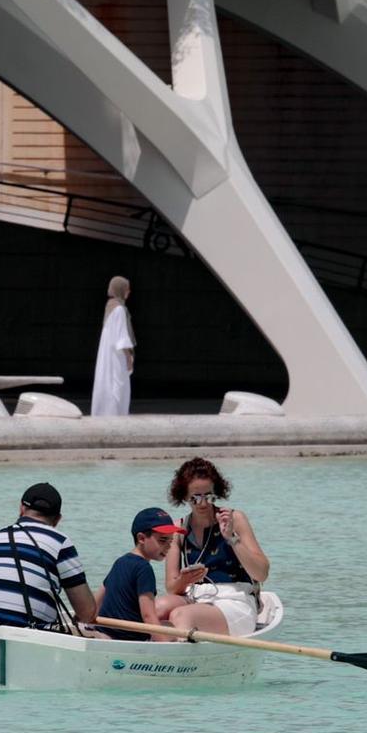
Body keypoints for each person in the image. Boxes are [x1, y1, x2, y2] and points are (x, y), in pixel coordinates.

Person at [157, 458, 271, 637]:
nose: (202, 503)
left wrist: (231, 538)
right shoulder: (178, 529)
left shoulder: (236, 519)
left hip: (234, 601)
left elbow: (262, 573)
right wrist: (185, 579)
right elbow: (172, 588)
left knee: (180, 615)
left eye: (208, 496)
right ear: (185, 496)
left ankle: (179, 661)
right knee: (158, 607)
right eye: (195, 498)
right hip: (195, 598)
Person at [0, 482, 95, 633]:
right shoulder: (60, 542)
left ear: (21, 508)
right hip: (27, 636)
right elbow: (87, 613)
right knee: (98, 635)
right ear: (57, 519)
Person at [90, 507, 193, 642]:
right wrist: (166, 647)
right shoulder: (144, 569)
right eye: (162, 540)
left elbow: (97, 602)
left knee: (166, 625)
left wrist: (90, 626)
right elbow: (148, 616)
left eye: (170, 541)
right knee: (174, 630)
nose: (168, 546)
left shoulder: (120, 561)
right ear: (141, 538)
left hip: (106, 631)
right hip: (130, 638)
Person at [90, 275, 135, 417]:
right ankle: (115, 417)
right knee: (118, 387)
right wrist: (128, 358)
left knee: (106, 383)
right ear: (121, 289)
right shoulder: (120, 310)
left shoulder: (110, 306)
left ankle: (103, 414)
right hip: (117, 356)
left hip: (107, 355)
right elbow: (121, 337)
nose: (128, 292)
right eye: (127, 289)